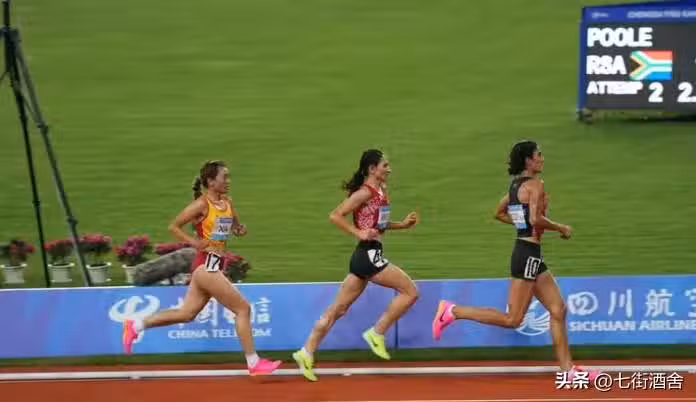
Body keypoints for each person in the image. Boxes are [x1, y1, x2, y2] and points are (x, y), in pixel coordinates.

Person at [432, 141, 599, 381]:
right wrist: (560, 227)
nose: (542, 158)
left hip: (530, 254)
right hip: (527, 255)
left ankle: (568, 370)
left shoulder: (515, 187)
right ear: (529, 161)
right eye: (539, 154)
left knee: (558, 309)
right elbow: (535, 219)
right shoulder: (536, 185)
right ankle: (453, 311)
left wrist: (524, 224)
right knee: (513, 319)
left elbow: (499, 213)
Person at [121, 160, 281, 376]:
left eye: (229, 177)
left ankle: (136, 325)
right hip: (206, 266)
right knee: (243, 309)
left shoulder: (227, 202)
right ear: (211, 181)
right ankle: (254, 363)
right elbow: (174, 226)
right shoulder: (202, 205)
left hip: (213, 265)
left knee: (186, 314)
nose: (229, 181)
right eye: (224, 177)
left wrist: (239, 229)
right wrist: (194, 242)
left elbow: (233, 225)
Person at [292, 149, 420, 382]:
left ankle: (306, 351)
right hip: (368, 254)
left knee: (337, 310)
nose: (389, 169)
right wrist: (358, 233)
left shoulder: (381, 191)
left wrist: (402, 225)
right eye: (385, 165)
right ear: (372, 169)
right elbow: (335, 215)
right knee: (410, 291)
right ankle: (377, 332)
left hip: (364, 255)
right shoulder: (365, 192)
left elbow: (379, 224)